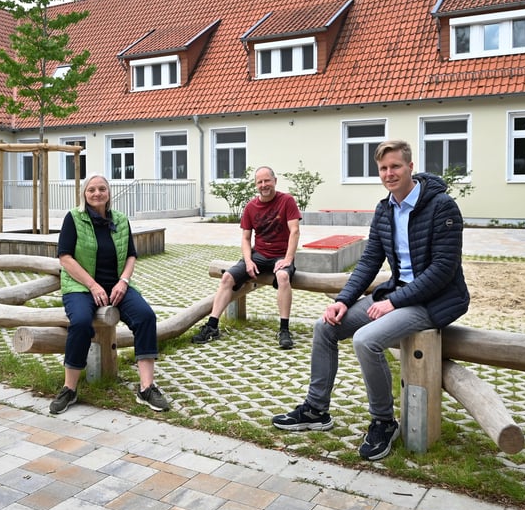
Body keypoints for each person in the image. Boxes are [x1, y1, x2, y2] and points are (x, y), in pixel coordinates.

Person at [271, 140, 469, 460]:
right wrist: (343, 301)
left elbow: (443, 269)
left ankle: (383, 421)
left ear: (410, 167)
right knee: (325, 326)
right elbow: (368, 262)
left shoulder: (442, 206)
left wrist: (395, 301)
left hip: (433, 300)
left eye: (396, 166)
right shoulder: (385, 208)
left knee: (366, 340)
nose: (389, 173)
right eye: (383, 168)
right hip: (398, 294)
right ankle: (316, 410)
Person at [51, 175, 170, 414]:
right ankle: (69, 389)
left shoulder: (120, 219)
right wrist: (93, 286)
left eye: (102, 189)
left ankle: (146, 388)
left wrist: (123, 282)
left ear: (108, 193)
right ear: (84, 194)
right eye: (91, 190)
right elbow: (65, 257)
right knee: (81, 322)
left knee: (146, 316)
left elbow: (131, 255)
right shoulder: (73, 218)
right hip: (81, 286)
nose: (97, 193)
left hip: (116, 286)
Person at [191, 166, 302, 349]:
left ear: (275, 181)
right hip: (258, 255)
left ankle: (284, 330)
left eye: (267, 180)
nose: (264, 185)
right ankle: (212, 326)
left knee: (283, 277)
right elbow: (245, 238)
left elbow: (295, 231)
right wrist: (248, 261)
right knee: (227, 278)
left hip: (280, 255)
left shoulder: (287, 201)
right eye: (260, 182)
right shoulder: (251, 207)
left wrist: (288, 259)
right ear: (256, 185)